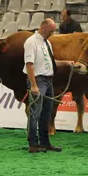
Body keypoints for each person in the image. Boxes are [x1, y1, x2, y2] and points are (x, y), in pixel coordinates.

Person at [24, 19, 69, 153]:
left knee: (46, 113)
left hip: (48, 81)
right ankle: (33, 143)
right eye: (51, 31)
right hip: (38, 81)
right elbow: (29, 65)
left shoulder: (46, 42)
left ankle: (44, 142)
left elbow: (49, 62)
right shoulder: (31, 42)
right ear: (43, 28)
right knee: (35, 113)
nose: (52, 33)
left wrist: (67, 63)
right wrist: (33, 85)